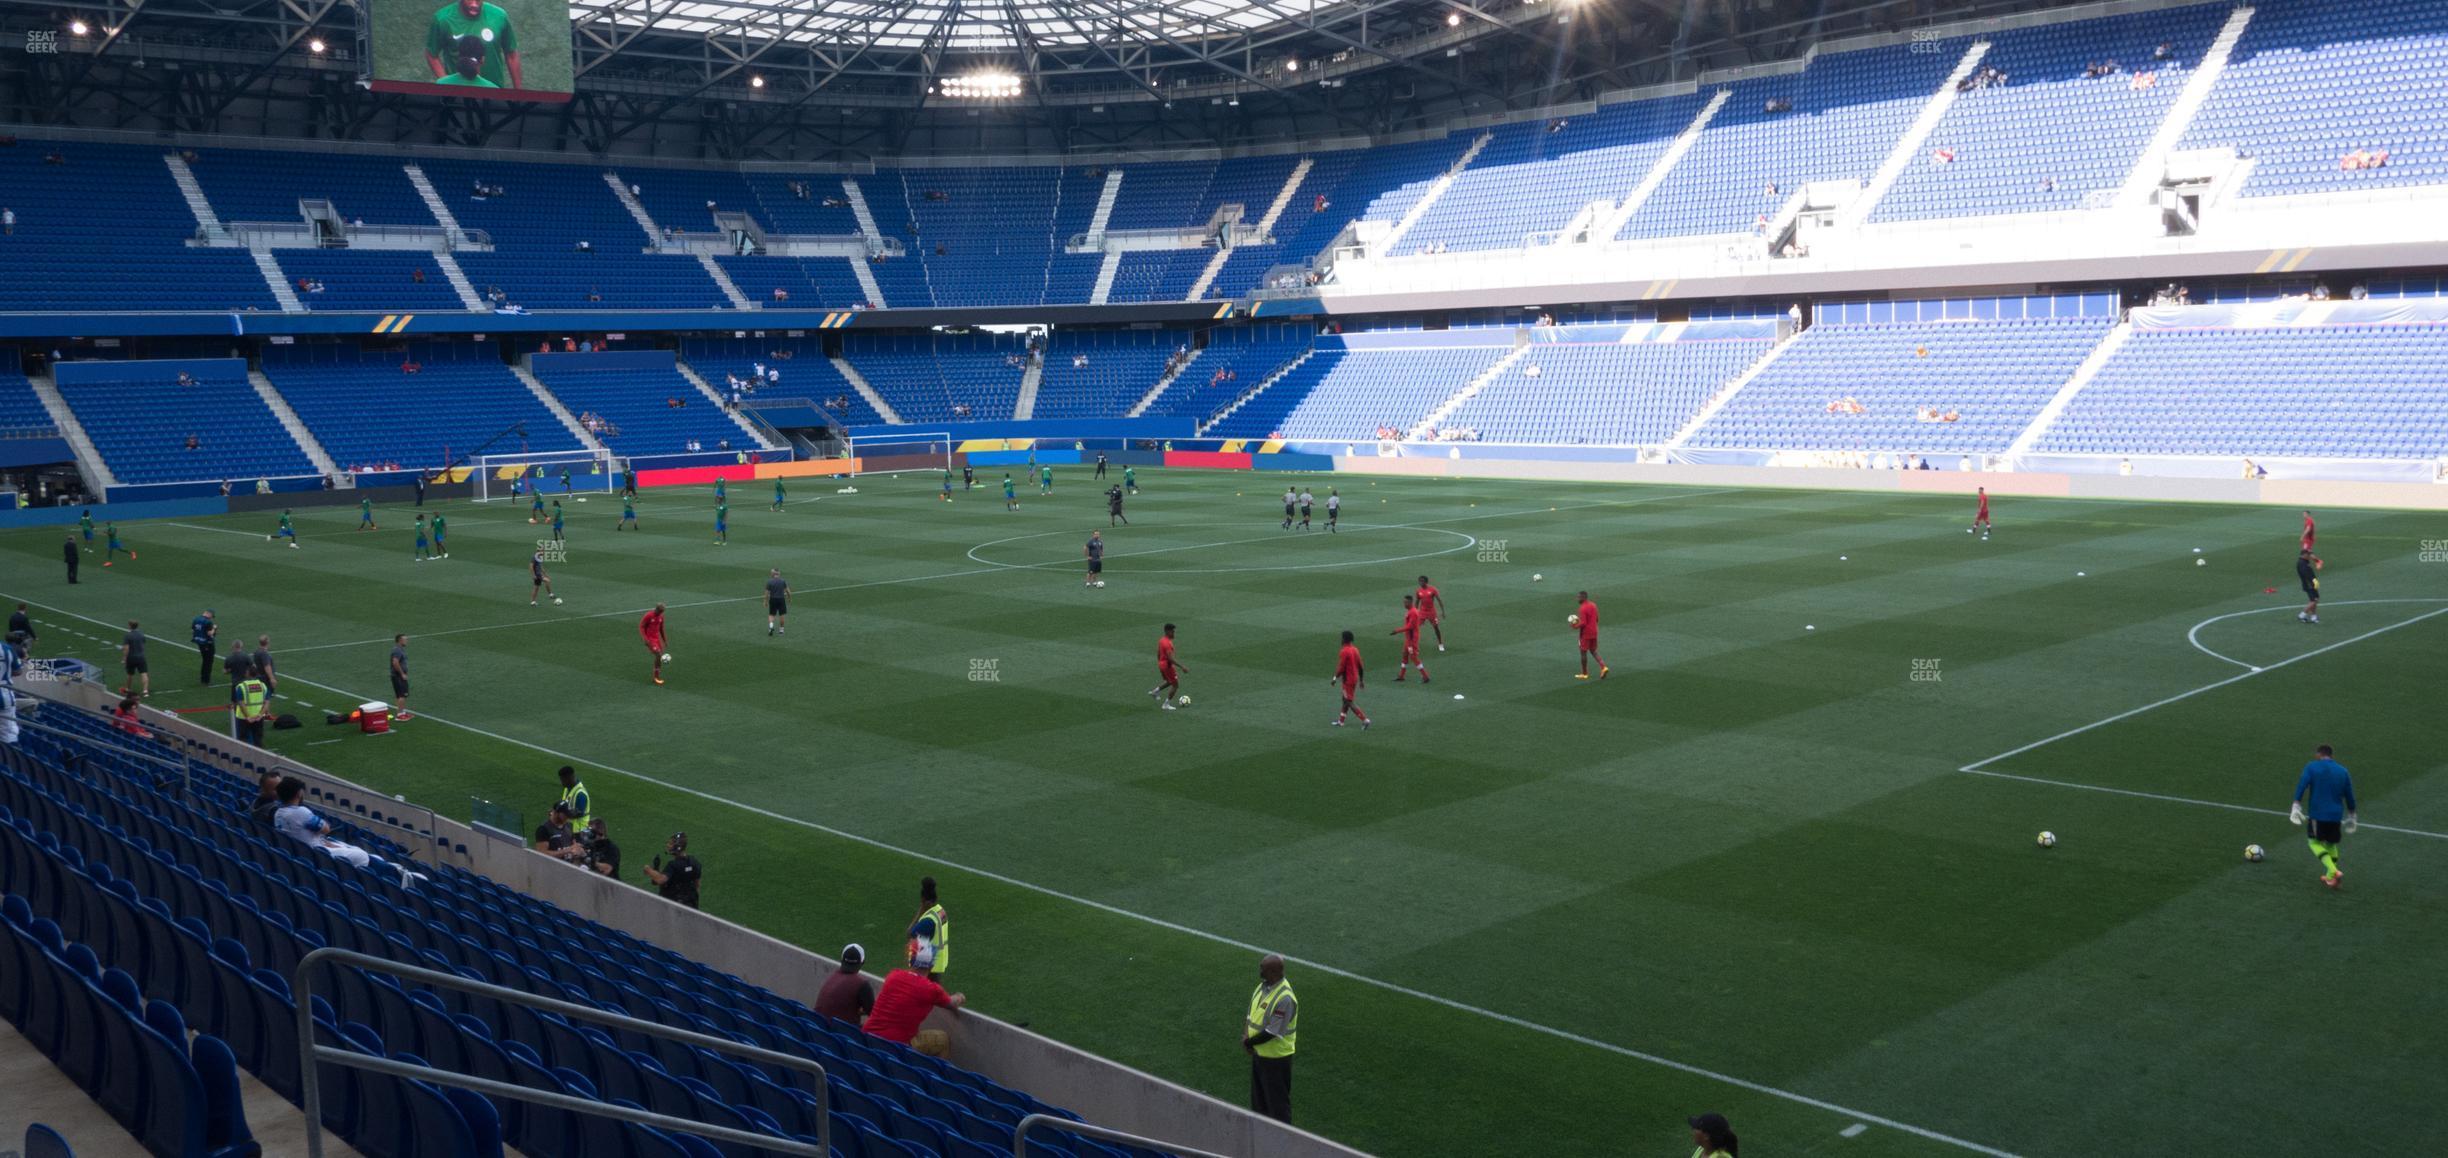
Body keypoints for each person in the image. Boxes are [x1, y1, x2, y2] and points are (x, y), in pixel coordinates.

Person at [273, 777, 426, 887]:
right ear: (298, 793)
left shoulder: (278, 813)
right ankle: (401, 879)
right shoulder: (300, 812)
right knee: (361, 855)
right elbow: (325, 828)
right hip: (316, 853)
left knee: (355, 849)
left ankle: (397, 871)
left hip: (308, 851)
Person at [864, 943, 963, 1044]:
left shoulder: (893, 975)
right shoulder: (932, 989)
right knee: (942, 1040)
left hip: (866, 1039)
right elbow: (952, 1003)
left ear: (911, 960)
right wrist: (960, 996)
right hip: (895, 1047)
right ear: (932, 964)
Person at [2291, 745, 2357, 889]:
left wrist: (2296, 804)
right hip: (2335, 816)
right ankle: (2329, 877)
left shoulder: (2312, 767)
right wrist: (2352, 815)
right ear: (2331, 755)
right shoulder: (2343, 771)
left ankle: (2334, 871)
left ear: (2318, 754)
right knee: (2331, 844)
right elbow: (2350, 795)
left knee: (2313, 842)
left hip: (2318, 814)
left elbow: (2302, 785)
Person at [1243, 953, 1297, 1123]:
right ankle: (1261, 1136)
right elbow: (1251, 1015)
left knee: (1277, 1106)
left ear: (1273, 972)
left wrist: (1248, 1042)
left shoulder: (1285, 998)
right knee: (1259, 1102)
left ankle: (1283, 1141)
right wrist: (1246, 1035)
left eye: (1263, 968)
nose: (1260, 971)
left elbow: (1272, 1032)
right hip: (1260, 1055)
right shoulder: (1262, 987)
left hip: (1276, 1059)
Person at [424, 0, 521, 89]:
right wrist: (447, 83)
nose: (474, 4)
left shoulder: (499, 16)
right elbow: (431, 54)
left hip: (494, 91)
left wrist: (518, 92)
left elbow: (511, 55)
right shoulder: (442, 19)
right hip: (457, 93)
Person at [815, 944, 876, 1025]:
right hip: (841, 1033)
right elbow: (874, 1013)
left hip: (818, 1029)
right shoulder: (862, 984)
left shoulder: (833, 977)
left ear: (842, 960)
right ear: (862, 962)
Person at [642, 831, 701, 908]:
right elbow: (697, 885)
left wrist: (649, 870)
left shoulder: (673, 865)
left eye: (670, 844)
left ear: (677, 847)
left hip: (673, 906)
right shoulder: (694, 862)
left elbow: (661, 879)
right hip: (691, 905)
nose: (668, 845)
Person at [908, 876, 950, 979]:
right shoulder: (940, 911)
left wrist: (921, 910)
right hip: (937, 963)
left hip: (927, 967)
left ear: (923, 899)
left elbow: (910, 933)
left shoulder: (928, 921)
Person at [1331, 630, 1369, 729]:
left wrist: (1335, 678)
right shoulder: (1355, 650)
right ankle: (1341, 721)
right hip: (1354, 678)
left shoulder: (1344, 651)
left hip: (1347, 680)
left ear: (1344, 639)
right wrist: (1361, 680)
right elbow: (1360, 666)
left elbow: (1341, 667)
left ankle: (1365, 720)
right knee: (1345, 699)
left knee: (1348, 701)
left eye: (1341, 637)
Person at [1391, 595, 1431, 683]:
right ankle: (1401, 676)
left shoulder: (1413, 612)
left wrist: (1397, 631)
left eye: (1405, 602)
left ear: (1410, 602)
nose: (1404, 604)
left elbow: (1410, 626)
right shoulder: (1410, 611)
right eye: (1404, 602)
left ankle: (1425, 676)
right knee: (1404, 655)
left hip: (1412, 640)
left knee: (1413, 657)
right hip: (1408, 639)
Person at [1573, 591, 1608, 680]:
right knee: (1593, 650)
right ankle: (1603, 667)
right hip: (1594, 632)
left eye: (1579, 597)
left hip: (1585, 634)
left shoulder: (1582, 608)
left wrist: (1575, 626)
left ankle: (1584, 674)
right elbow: (1597, 618)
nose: (1577, 599)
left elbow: (1584, 623)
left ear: (1583, 598)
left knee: (1583, 652)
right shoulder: (1593, 605)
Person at [233, 665, 271, 747]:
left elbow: (241, 703)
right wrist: (261, 715)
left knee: (243, 740)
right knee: (258, 739)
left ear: (248, 674)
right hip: (258, 717)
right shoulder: (263, 686)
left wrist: (248, 716)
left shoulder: (241, 686)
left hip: (243, 718)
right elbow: (267, 703)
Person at [119, 619, 151, 699]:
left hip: (131, 657)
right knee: (144, 673)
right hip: (141, 657)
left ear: (130, 626)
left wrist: (124, 658)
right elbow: (142, 645)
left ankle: (128, 689)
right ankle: (145, 691)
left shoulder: (128, 635)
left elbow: (126, 648)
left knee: (130, 674)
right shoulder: (141, 634)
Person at [554, 764, 592, 830]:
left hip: (579, 831)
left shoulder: (580, 794)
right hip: (569, 829)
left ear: (569, 778)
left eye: (562, 780)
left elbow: (578, 814)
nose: (561, 782)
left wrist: (559, 813)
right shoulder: (567, 789)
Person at [1414, 575, 1446, 652]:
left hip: (1431, 612)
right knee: (1415, 628)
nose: (1420, 582)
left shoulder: (1432, 590)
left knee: (1436, 628)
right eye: (1419, 581)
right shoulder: (1418, 591)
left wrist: (1443, 612)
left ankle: (1440, 644)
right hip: (1422, 612)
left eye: (1422, 581)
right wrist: (1415, 612)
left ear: (1426, 582)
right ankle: (1414, 645)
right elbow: (1417, 602)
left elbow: (1439, 600)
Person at [641, 603, 668, 685]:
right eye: (660, 611)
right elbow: (641, 626)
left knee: (659, 657)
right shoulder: (649, 615)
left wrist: (665, 640)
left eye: (662, 612)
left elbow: (661, 629)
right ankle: (656, 677)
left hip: (657, 639)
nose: (660, 613)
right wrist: (645, 639)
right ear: (656, 609)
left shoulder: (661, 617)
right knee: (658, 655)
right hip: (650, 639)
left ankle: (656, 676)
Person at [192, 608, 218, 686]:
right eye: (211, 616)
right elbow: (210, 633)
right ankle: (206, 680)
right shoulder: (208, 622)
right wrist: (214, 628)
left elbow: (193, 631)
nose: (211, 618)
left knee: (205, 660)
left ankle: (203, 678)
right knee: (208, 662)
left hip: (200, 643)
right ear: (209, 614)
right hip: (208, 644)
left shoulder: (196, 619)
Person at [2296, 548, 2323, 624]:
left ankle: (2313, 617)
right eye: (2308, 554)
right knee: (2314, 600)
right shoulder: (2301, 563)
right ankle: (2302, 615)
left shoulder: (2304, 561)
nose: (2310, 556)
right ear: (2304, 555)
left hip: (2311, 583)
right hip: (2309, 584)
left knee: (2315, 599)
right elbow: (2306, 574)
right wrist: (2313, 581)